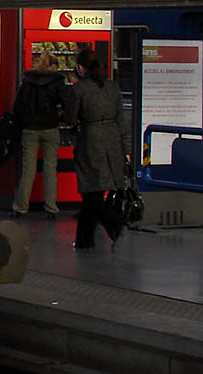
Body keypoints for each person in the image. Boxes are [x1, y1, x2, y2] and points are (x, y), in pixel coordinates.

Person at [65, 48, 131, 249]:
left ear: (80, 67)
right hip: (112, 140)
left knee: (90, 190)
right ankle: (85, 240)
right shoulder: (112, 87)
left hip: (91, 140)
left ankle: (116, 223)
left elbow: (70, 119)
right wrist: (125, 148)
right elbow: (121, 121)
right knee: (95, 190)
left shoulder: (80, 89)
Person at [10, 51, 69, 216]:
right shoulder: (57, 81)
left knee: (28, 170)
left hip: (29, 130)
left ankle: (21, 207)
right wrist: (62, 116)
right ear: (52, 66)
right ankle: (51, 207)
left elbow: (18, 107)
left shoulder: (27, 82)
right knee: (50, 169)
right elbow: (67, 103)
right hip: (50, 128)